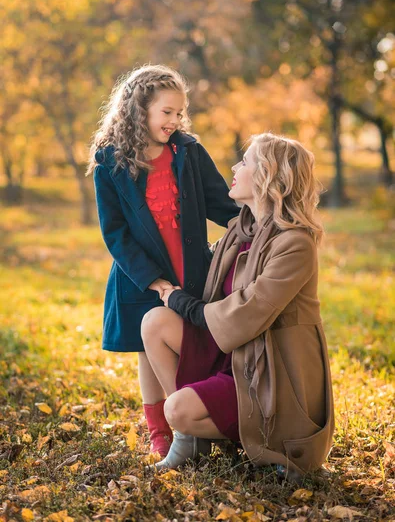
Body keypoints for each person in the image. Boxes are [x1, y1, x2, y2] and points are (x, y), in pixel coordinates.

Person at [141, 132, 335, 477]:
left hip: (268, 371)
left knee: (178, 409)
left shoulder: (295, 243)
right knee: (155, 321)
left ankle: (258, 440)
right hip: (231, 355)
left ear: (267, 176)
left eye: (244, 162)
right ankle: (192, 435)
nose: (234, 166)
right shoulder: (240, 232)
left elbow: (248, 312)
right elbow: (205, 281)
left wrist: (184, 304)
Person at [87, 64, 240, 458]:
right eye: (166, 112)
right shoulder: (110, 162)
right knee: (147, 350)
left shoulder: (188, 152)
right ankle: (161, 431)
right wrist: (155, 282)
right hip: (139, 276)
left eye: (179, 113)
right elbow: (115, 233)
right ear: (140, 110)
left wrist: (262, 224)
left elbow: (223, 204)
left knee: (189, 344)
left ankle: (191, 418)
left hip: (190, 270)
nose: (174, 121)